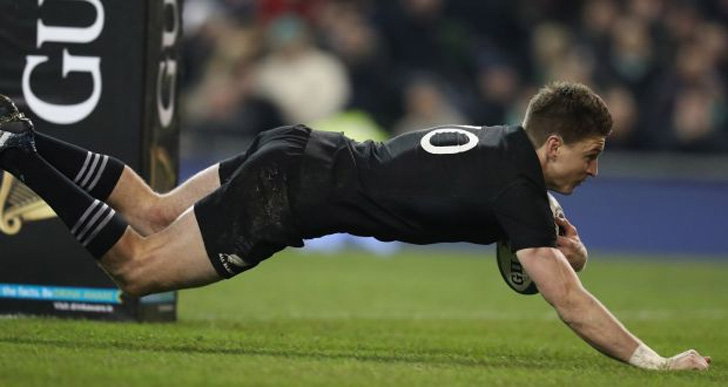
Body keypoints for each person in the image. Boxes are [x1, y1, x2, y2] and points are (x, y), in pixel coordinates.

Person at [0, 82, 710, 371]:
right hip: (293, 189)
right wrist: (653, 359)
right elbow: (564, 294)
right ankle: (21, 152)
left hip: (298, 145)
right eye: (589, 157)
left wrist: (563, 242)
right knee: (135, 268)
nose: (594, 172)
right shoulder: (517, 185)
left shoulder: (505, 148)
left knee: (152, 209)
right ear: (554, 145)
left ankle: (23, 132)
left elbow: (552, 249)